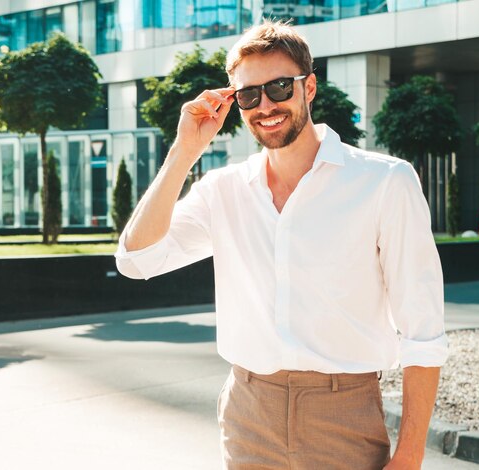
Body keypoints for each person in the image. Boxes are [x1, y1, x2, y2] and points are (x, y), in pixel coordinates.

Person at [115, 19, 448, 470]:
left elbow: (423, 328)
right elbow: (136, 259)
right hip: (249, 414)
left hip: (343, 414)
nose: (265, 105)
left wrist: (409, 455)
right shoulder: (223, 189)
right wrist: (184, 150)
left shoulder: (384, 181)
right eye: (249, 95)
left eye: (279, 87)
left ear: (309, 88)